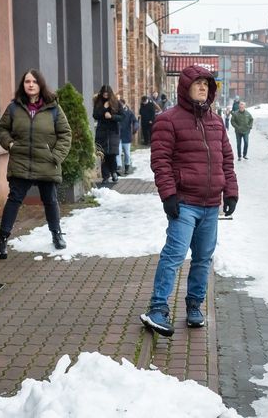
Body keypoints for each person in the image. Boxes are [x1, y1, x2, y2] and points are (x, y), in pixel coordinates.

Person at [140, 65, 238, 337]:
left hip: (210, 204)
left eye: (207, 84)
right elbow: (160, 161)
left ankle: (194, 306)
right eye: (198, 83)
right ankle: (158, 308)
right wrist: (169, 195)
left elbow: (226, 160)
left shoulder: (216, 122)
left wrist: (231, 191)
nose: (203, 88)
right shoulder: (168, 120)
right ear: (185, 87)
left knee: (204, 258)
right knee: (174, 255)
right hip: (184, 203)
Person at [0, 70, 72, 258]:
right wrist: (10, 144)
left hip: (46, 162)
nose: (30, 84)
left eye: (34, 81)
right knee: (14, 200)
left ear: (40, 85)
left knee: (50, 200)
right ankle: (2, 240)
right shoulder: (14, 108)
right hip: (21, 161)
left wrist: (55, 156)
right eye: (27, 81)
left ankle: (56, 234)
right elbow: (2, 129)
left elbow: (65, 134)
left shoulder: (53, 108)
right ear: (23, 85)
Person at [93, 85, 124, 184]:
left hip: (113, 132)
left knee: (112, 154)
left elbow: (122, 116)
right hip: (102, 132)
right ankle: (105, 176)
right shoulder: (99, 102)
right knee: (103, 155)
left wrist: (112, 116)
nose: (105, 95)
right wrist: (103, 108)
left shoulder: (116, 103)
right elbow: (95, 115)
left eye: (107, 94)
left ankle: (114, 172)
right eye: (104, 94)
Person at [117, 99, 139, 175]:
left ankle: (127, 166)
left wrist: (135, 127)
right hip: (117, 135)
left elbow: (135, 121)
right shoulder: (116, 112)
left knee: (127, 153)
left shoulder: (129, 113)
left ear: (124, 104)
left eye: (120, 105)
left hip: (126, 135)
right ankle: (118, 166)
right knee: (118, 152)